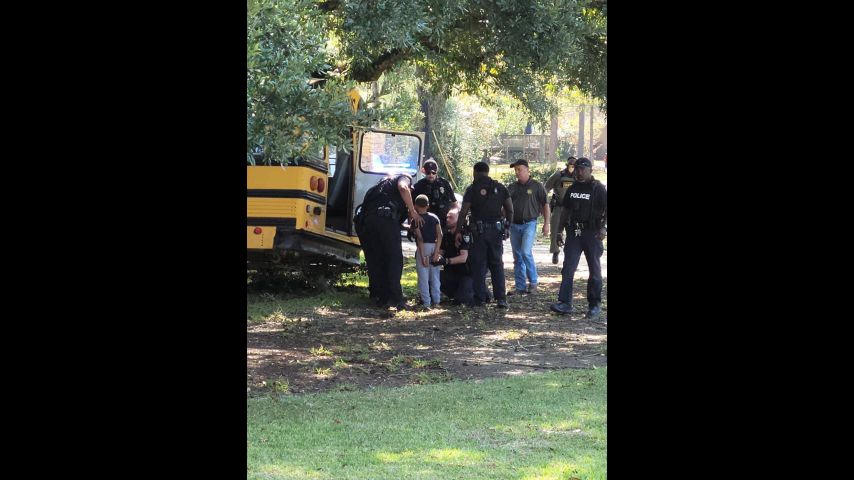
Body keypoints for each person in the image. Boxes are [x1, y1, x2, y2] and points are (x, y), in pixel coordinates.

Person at [355, 173, 424, 310]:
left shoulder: (379, 190)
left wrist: (407, 227)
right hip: (383, 221)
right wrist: (413, 211)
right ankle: (396, 299)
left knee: (377, 260)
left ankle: (379, 297)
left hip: (367, 225)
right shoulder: (403, 178)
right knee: (394, 259)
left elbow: (385, 219)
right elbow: (403, 187)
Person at [550, 157, 607, 319]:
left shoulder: (598, 189)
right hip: (574, 232)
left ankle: (594, 305)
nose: (579, 172)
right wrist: (559, 231)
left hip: (592, 233)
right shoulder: (572, 188)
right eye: (577, 169)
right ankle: (565, 303)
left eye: (583, 169)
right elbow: (565, 211)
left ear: (590, 170)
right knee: (568, 268)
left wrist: (604, 228)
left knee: (594, 270)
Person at [457, 161, 513, 308]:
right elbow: (510, 210)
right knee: (497, 264)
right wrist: (507, 226)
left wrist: (458, 231)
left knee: (479, 265)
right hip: (496, 231)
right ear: (488, 172)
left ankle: (480, 298)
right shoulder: (500, 188)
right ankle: (501, 299)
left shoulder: (472, 189)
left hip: (478, 232)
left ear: (475, 172)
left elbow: (463, 212)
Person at [507, 159, 549, 295]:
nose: (517, 172)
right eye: (515, 170)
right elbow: (505, 205)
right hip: (514, 225)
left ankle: (533, 282)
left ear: (527, 170)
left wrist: (547, 224)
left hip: (529, 223)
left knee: (525, 252)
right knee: (517, 256)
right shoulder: (512, 187)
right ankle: (520, 287)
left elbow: (545, 205)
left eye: (519, 169)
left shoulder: (537, 186)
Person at [433, 208, 474, 306]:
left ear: (459, 219)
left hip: (466, 274)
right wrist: (434, 257)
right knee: (434, 276)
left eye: (451, 217)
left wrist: (446, 261)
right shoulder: (446, 235)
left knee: (462, 301)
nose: (448, 219)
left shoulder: (465, 234)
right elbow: (441, 252)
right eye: (447, 217)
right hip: (452, 273)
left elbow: (463, 258)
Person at [412, 194, 443, 309]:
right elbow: (440, 235)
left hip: (423, 248)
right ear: (428, 206)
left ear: (415, 206)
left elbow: (420, 238)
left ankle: (426, 303)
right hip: (434, 246)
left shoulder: (416, 220)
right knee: (435, 276)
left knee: (423, 277)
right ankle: (437, 301)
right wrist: (436, 252)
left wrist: (423, 256)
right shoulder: (434, 218)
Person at [544, 156, 577, 264]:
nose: (572, 167)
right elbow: (546, 188)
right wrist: (545, 202)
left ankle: (570, 255)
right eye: (570, 165)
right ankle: (555, 251)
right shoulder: (558, 175)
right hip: (559, 207)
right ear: (567, 165)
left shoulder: (579, 176)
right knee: (555, 230)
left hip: (573, 210)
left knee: (573, 232)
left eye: (574, 166)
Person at [411, 158, 458, 230]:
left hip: (443, 221)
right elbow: (411, 206)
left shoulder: (445, 184)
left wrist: (453, 213)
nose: (431, 175)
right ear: (424, 171)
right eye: (428, 173)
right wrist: (415, 217)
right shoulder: (419, 185)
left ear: (436, 172)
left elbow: (454, 203)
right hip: (424, 222)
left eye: (433, 173)